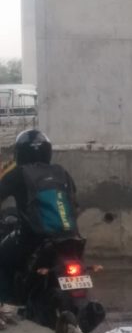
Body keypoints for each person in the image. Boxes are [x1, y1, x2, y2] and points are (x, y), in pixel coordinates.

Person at [0, 130, 78, 306]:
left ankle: (6, 305)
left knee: (2, 260)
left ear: (19, 152)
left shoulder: (18, 174)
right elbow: (75, 203)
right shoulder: (61, 172)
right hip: (69, 238)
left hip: (32, 239)